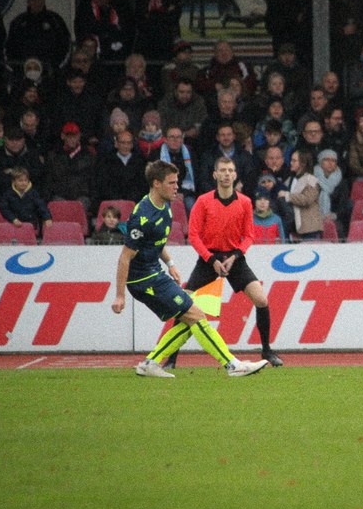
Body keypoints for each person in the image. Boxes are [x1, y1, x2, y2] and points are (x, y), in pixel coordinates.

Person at [113, 160, 269, 378]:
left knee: (190, 317)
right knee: (195, 314)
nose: (177, 187)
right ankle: (232, 365)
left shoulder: (164, 206)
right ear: (157, 183)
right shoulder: (143, 215)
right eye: (171, 183)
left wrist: (170, 264)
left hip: (156, 274)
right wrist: (120, 295)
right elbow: (124, 257)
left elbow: (156, 242)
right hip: (143, 280)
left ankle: (151, 363)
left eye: (177, 182)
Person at [161, 156, 283, 370]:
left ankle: (267, 350)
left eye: (230, 170)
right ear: (215, 174)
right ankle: (171, 359)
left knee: (261, 299)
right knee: (185, 305)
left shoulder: (245, 202)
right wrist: (211, 259)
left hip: (234, 259)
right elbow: (194, 236)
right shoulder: (203, 201)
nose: (227, 174)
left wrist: (235, 256)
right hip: (209, 259)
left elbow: (249, 236)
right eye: (223, 170)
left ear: (235, 175)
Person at [5, 0, 71, 72]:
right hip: (23, 70)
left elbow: (66, 43)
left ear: (44, 1)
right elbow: (9, 47)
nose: (37, 3)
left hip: (50, 71)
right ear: (28, 2)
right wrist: (16, 68)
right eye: (33, 0)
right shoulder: (18, 22)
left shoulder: (55, 20)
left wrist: (56, 66)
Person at [277, 150, 322, 240]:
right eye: (291, 160)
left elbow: (307, 199)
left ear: (303, 163)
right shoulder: (290, 179)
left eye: (294, 161)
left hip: (309, 228)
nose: (291, 163)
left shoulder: (311, 180)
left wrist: (287, 195)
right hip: (294, 226)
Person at [0, 166, 53, 231]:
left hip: (30, 224)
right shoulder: (8, 194)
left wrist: (47, 218)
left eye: (25, 180)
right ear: (14, 181)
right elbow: (4, 208)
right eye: (20, 181)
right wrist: (13, 219)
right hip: (13, 224)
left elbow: (41, 206)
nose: (23, 183)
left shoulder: (34, 193)